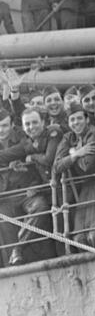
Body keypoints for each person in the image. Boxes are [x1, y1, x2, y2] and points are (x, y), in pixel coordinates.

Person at [0, 109, 59, 266]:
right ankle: (9, 267)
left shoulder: (24, 137)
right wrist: (10, 165)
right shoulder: (26, 139)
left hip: (29, 189)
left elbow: (23, 151)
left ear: (13, 125)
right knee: (3, 222)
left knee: (40, 207)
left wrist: (26, 160)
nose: (1, 130)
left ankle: (18, 249)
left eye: (5, 125)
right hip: (4, 196)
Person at [53, 106, 95, 249]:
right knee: (79, 238)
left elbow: (87, 165)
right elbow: (56, 166)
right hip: (86, 186)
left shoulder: (93, 132)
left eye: (79, 118)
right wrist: (76, 154)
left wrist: (71, 156)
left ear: (87, 119)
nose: (76, 122)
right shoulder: (69, 137)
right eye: (72, 120)